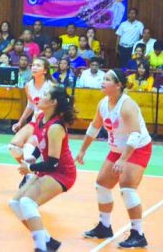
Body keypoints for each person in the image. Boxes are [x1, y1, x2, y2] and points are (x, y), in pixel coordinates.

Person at [77, 70, 153, 249]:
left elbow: (135, 134)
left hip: (137, 148)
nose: (103, 82)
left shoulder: (127, 106)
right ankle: (104, 226)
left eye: (107, 79)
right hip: (117, 149)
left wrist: (123, 159)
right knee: (102, 184)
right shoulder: (103, 104)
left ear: (118, 85)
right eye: (103, 79)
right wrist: (82, 151)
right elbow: (94, 128)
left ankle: (138, 234)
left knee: (127, 188)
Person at [8, 87, 77, 252]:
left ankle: (41, 248)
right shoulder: (40, 118)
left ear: (53, 102)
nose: (40, 96)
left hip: (62, 173)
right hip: (50, 169)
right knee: (15, 203)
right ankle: (48, 241)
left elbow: (53, 161)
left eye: (45, 95)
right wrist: (32, 156)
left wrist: (30, 167)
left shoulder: (56, 127)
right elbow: (41, 144)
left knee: (27, 202)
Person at [9, 57, 55, 186]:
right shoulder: (29, 85)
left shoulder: (51, 87)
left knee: (29, 148)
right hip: (34, 122)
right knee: (13, 147)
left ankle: (32, 175)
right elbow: (30, 105)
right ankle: (30, 173)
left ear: (45, 71)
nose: (34, 67)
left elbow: (58, 108)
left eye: (38, 66)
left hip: (46, 124)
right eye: (33, 65)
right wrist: (20, 122)